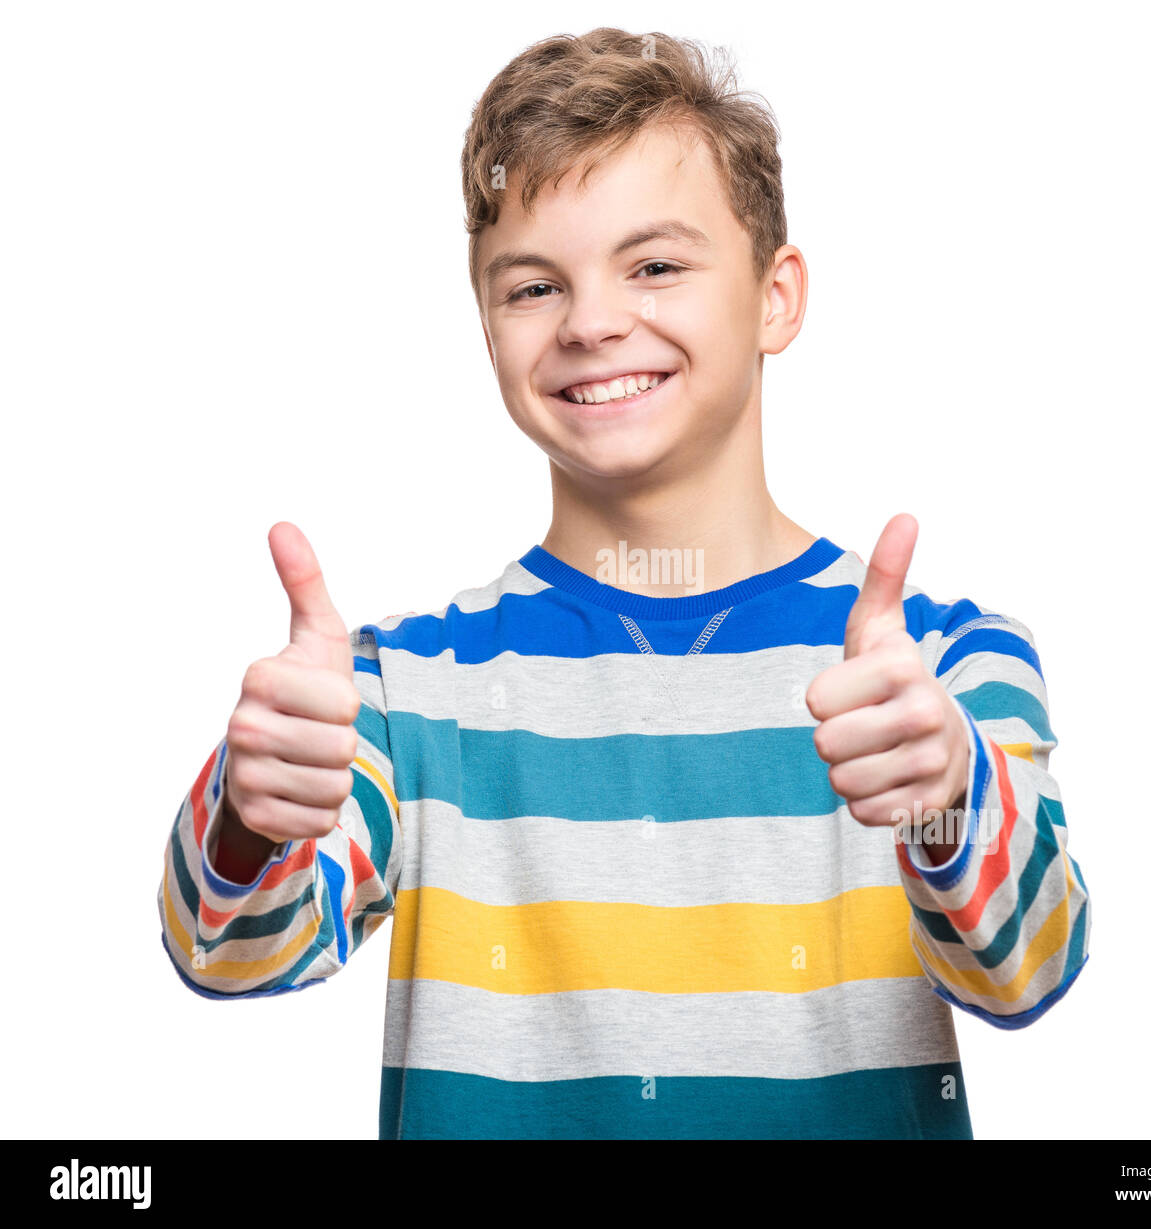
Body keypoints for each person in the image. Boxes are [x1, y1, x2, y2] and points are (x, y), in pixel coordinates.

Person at [157, 26, 1090, 1139]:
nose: (593, 322)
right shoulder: (396, 688)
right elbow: (230, 951)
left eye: (654, 264)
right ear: (487, 328)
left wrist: (946, 794)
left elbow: (1028, 970)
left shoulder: (939, 664)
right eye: (534, 284)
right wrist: (250, 815)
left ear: (775, 297)